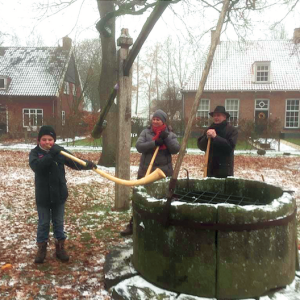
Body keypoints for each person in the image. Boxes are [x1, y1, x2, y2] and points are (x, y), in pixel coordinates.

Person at [29, 125, 97, 263]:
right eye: (44, 139)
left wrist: (87, 165)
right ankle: (41, 248)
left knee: (58, 222)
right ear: (38, 140)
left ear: (54, 140)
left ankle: (60, 248)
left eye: (50, 139)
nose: (48, 142)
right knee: (43, 223)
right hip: (43, 196)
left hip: (59, 195)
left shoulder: (59, 151)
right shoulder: (35, 153)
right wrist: (51, 154)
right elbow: (38, 167)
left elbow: (74, 162)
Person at [120, 109, 180, 236]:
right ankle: (133, 224)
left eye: (158, 119)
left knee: (163, 198)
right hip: (146, 171)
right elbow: (139, 146)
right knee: (140, 198)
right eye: (154, 119)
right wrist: (154, 143)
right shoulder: (146, 132)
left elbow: (175, 149)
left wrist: (166, 138)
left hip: (164, 172)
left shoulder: (170, 133)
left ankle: (160, 224)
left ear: (163, 121)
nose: (155, 121)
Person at [198, 106, 238, 178]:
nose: (216, 117)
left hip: (225, 169)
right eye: (214, 116)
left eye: (218, 115)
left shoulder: (232, 130)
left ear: (224, 117)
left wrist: (216, 137)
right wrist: (206, 138)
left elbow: (229, 147)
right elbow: (201, 146)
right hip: (210, 168)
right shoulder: (209, 129)